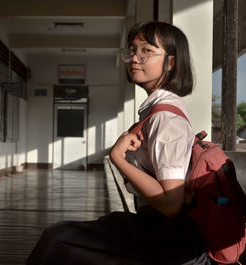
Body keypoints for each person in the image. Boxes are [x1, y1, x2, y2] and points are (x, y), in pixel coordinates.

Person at [26, 21, 212, 265]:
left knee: (57, 241)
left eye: (146, 51)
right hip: (155, 227)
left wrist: (117, 158)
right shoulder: (156, 111)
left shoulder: (167, 119)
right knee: (59, 238)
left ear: (171, 62)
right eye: (133, 50)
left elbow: (171, 204)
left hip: (172, 241)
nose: (135, 58)